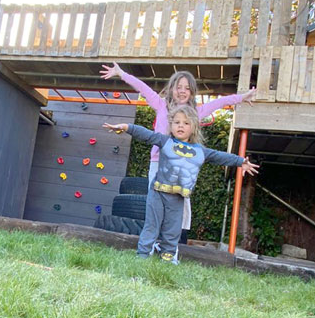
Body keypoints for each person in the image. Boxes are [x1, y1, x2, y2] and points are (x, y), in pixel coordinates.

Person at [99, 62, 256, 231]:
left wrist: (241, 97)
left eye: (187, 88)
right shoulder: (161, 105)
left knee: (181, 202)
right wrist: (121, 73)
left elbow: (219, 102)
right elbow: (142, 87)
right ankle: (154, 235)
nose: (182, 91)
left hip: (181, 165)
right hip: (158, 163)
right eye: (178, 87)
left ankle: (178, 237)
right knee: (155, 201)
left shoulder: (196, 112)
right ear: (171, 89)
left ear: (192, 92)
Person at [104, 105, 259, 262]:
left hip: (177, 197)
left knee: (173, 229)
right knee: (152, 225)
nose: (180, 126)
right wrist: (126, 127)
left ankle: (168, 257)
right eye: (177, 122)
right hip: (157, 193)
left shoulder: (201, 151)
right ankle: (142, 255)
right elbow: (146, 135)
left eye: (186, 123)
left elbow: (220, 156)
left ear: (193, 127)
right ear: (171, 125)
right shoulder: (164, 141)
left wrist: (240, 162)